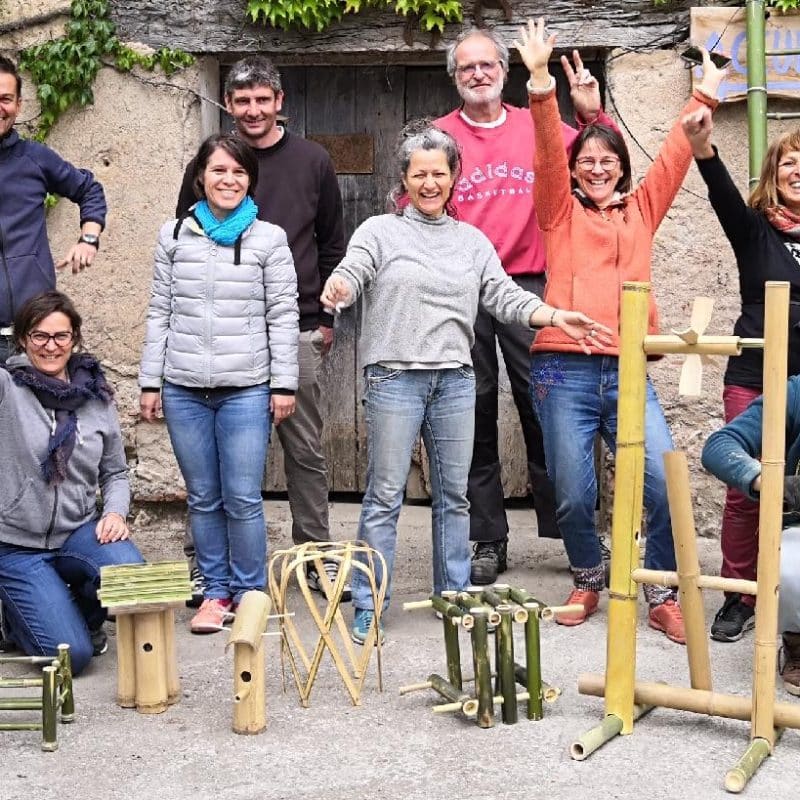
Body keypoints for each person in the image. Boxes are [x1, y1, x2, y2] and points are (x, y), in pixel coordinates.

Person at [321, 120, 610, 645]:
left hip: (454, 380)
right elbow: (355, 268)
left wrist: (554, 316)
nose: (429, 183)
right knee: (384, 495)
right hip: (395, 377)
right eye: (419, 174)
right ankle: (368, 602)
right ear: (404, 179)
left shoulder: (472, 242)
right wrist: (341, 284)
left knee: (454, 497)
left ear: (454, 176)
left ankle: (452, 594)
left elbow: (503, 296)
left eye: (439, 173)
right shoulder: (379, 232)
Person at [517, 19, 725, 642]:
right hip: (564, 367)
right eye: (587, 161)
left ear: (621, 169)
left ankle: (658, 589)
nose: (597, 168)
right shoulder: (557, 211)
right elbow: (548, 152)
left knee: (659, 482)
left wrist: (706, 94)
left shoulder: (642, 209)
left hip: (629, 368)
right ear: (574, 171)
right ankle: (588, 576)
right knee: (573, 493)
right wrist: (540, 82)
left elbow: (677, 152)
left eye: (608, 161)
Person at [435, 28, 619, 585]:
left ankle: (573, 531)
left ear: (504, 69)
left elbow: (601, 163)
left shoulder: (538, 126)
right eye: (466, 67)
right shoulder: (438, 136)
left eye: (487, 64)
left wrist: (592, 114)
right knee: (472, 412)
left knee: (548, 409)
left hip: (533, 288)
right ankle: (487, 537)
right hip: (463, 289)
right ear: (455, 77)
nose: (478, 74)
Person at [176, 56, 346, 603]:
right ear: (229, 104)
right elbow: (186, 241)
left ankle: (313, 556)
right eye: (243, 100)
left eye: (262, 99)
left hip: (296, 328)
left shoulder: (313, 161)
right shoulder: (211, 163)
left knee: (304, 451)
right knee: (213, 461)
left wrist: (325, 318)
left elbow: (332, 244)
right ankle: (208, 565)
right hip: (223, 334)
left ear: (280, 102)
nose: (253, 110)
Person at [140, 133, 299, 634]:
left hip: (246, 388)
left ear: (250, 180)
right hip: (183, 387)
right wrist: (150, 381)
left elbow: (283, 314)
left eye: (239, 172)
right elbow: (159, 311)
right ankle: (215, 592)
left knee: (243, 497)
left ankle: (249, 593)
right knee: (203, 497)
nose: (228, 180)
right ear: (200, 178)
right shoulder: (173, 235)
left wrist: (283, 384)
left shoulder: (269, 239)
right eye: (218, 170)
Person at [683, 111, 800, 643]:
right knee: (745, 485)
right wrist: (702, 147)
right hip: (754, 375)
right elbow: (723, 195)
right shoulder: (755, 229)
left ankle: (789, 592)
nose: (797, 172)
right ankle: (739, 593)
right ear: (773, 174)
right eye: (789, 163)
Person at [0, 291, 143, 675]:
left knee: (129, 573)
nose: (50, 346)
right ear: (23, 339)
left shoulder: (96, 398)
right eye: (39, 336)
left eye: (60, 336)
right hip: (16, 546)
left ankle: (72, 613)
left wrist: (115, 513)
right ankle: (16, 618)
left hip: (76, 533)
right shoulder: (8, 388)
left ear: (74, 338)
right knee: (72, 658)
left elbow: (115, 473)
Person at [0, 56, 106, 366]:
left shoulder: (35, 158)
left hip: (32, 339)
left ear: (18, 105)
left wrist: (89, 239)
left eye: (5, 99)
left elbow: (89, 189)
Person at [701, 377, 800, 694]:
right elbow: (719, 446)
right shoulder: (797, 392)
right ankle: (797, 640)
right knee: (789, 565)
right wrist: (766, 480)